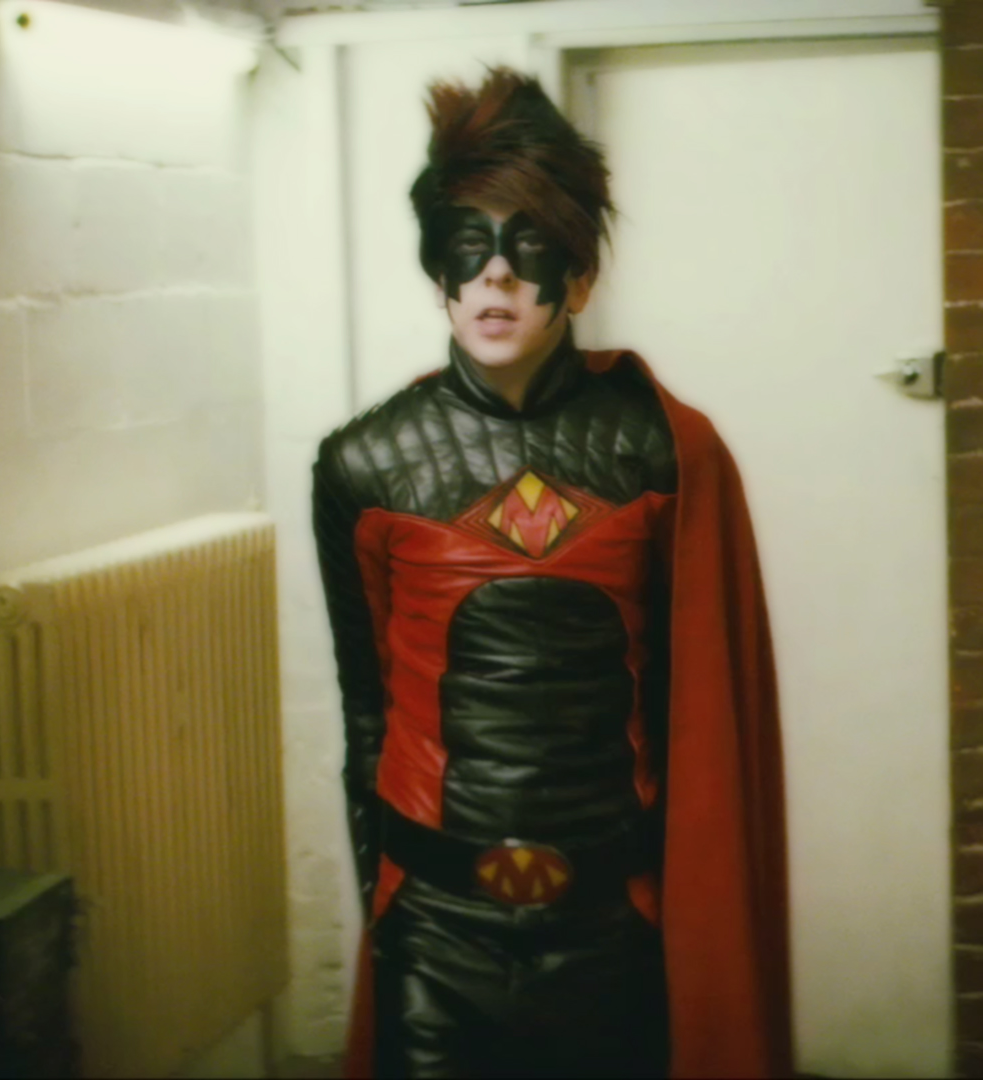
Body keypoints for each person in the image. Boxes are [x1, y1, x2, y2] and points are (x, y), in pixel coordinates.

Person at [312, 68, 790, 1079]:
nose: (495, 276)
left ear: (577, 278)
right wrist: (383, 908)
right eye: (468, 246)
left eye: (527, 246)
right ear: (438, 272)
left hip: (611, 924)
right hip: (433, 925)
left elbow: (694, 714)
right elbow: (368, 714)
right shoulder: (364, 464)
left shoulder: (663, 450)